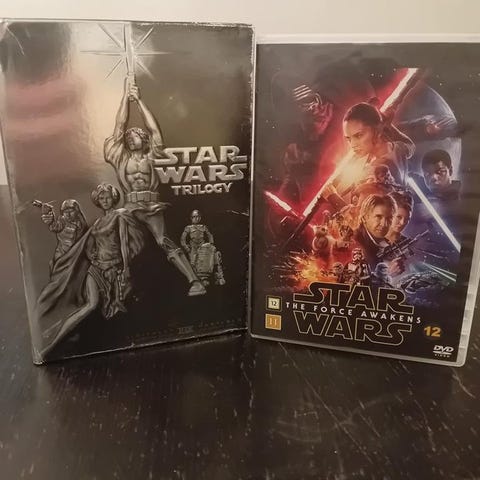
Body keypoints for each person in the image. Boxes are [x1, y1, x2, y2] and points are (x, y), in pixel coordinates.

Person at [104, 77, 205, 296]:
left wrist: (139, 101)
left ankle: (195, 281)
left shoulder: (152, 156)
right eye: (128, 137)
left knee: (164, 241)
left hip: (151, 206)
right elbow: (119, 127)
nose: (130, 139)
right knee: (119, 236)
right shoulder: (121, 158)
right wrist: (125, 97)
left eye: (135, 136)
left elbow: (154, 130)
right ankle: (122, 284)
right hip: (130, 208)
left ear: (144, 140)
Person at [36, 183, 145, 357]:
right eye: (101, 198)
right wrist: (92, 257)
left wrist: (125, 268)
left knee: (114, 308)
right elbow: (87, 244)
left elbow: (124, 243)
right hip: (96, 268)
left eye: (107, 197)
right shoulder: (98, 223)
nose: (105, 200)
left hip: (114, 268)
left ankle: (62, 338)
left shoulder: (120, 215)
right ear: (97, 200)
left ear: (114, 197)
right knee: (90, 305)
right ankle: (53, 344)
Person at [342, 102, 415, 186]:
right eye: (349, 139)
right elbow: (410, 145)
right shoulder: (398, 148)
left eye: (359, 136)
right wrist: (385, 123)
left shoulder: (375, 173)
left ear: (377, 130)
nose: (352, 145)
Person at [40, 199, 88, 271]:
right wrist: (51, 222)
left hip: (77, 252)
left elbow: (86, 236)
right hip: (63, 252)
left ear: (76, 211)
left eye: (71, 211)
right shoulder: (62, 220)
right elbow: (56, 227)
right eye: (65, 212)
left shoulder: (81, 222)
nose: (68, 214)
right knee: (58, 266)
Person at [354, 193, 397, 268]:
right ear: (364, 218)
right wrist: (387, 272)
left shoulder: (386, 243)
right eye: (378, 217)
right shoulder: (355, 243)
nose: (384, 224)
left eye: (389, 218)